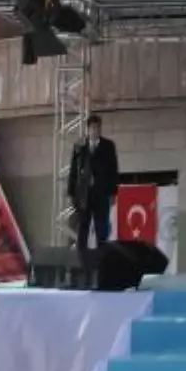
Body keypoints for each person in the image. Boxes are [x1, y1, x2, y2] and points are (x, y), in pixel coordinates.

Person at [68, 113, 120, 278]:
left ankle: (102, 265)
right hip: (84, 196)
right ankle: (80, 266)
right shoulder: (79, 146)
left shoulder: (108, 146)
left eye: (98, 128)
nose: (95, 131)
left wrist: (113, 192)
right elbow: (73, 172)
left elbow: (113, 170)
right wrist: (71, 193)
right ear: (88, 129)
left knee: (101, 231)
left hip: (101, 194)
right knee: (82, 231)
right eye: (92, 128)